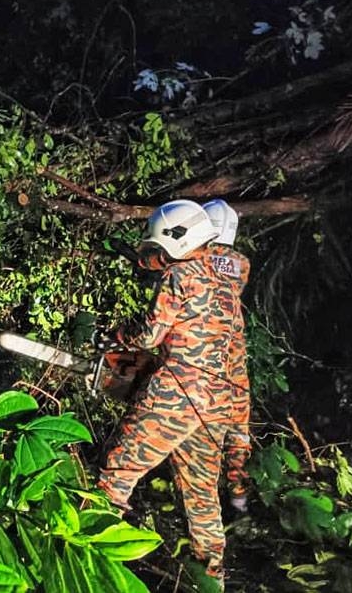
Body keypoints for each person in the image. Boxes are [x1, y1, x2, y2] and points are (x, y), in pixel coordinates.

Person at [96, 199, 239, 586]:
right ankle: (213, 576)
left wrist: (122, 334)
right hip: (215, 400)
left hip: (177, 392)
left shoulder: (180, 277)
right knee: (201, 495)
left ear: (175, 239)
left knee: (118, 471)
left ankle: (93, 555)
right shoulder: (227, 278)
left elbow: (150, 335)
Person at [202, 199, 252, 514]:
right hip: (235, 357)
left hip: (205, 354)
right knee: (238, 431)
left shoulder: (198, 257)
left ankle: (204, 504)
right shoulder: (242, 264)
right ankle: (239, 500)